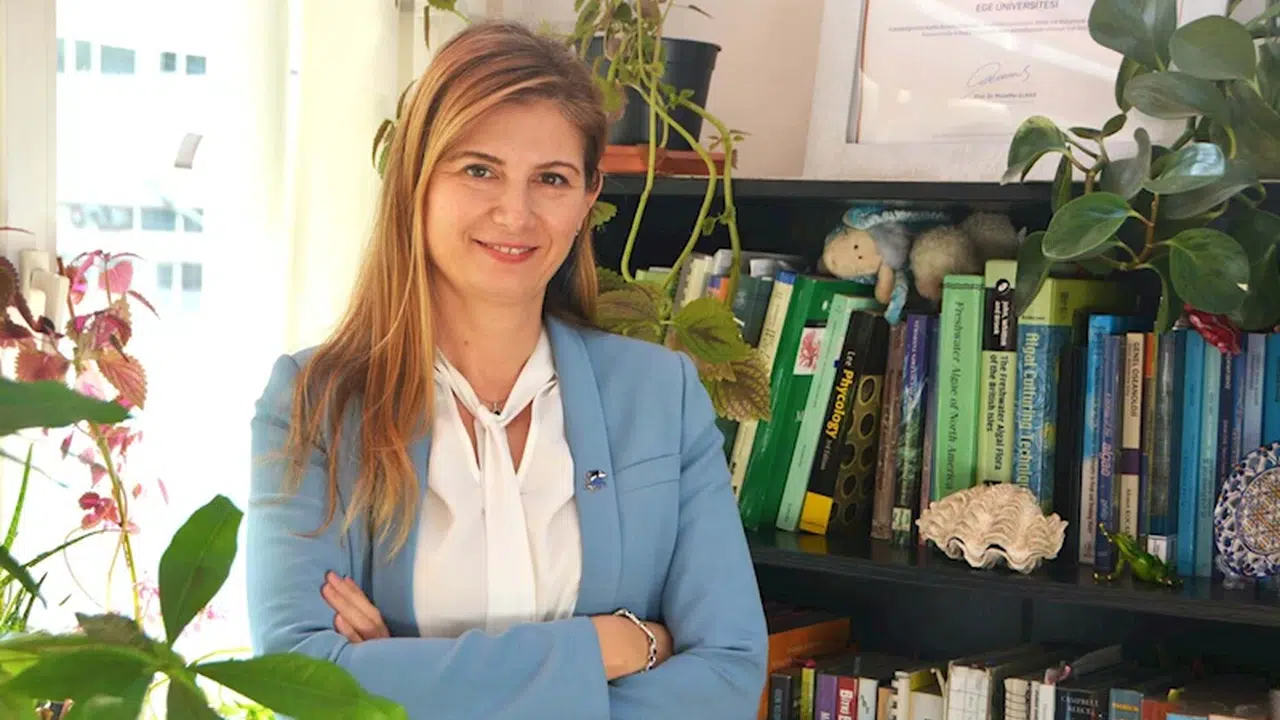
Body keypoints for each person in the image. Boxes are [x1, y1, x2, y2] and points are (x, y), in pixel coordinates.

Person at [245, 19, 768, 719]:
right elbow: (300, 677)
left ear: (587, 199)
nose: (515, 213)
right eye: (479, 170)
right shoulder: (316, 402)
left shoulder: (658, 395)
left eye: (551, 179)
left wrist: (402, 676)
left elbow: (729, 673)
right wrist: (607, 648)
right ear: (416, 180)